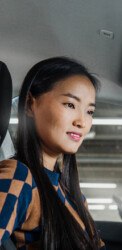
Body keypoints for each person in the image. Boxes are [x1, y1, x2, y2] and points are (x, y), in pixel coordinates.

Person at [0, 57, 106, 250]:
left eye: (90, 112)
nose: (82, 122)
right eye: (70, 105)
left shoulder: (74, 196)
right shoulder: (20, 177)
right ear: (30, 105)